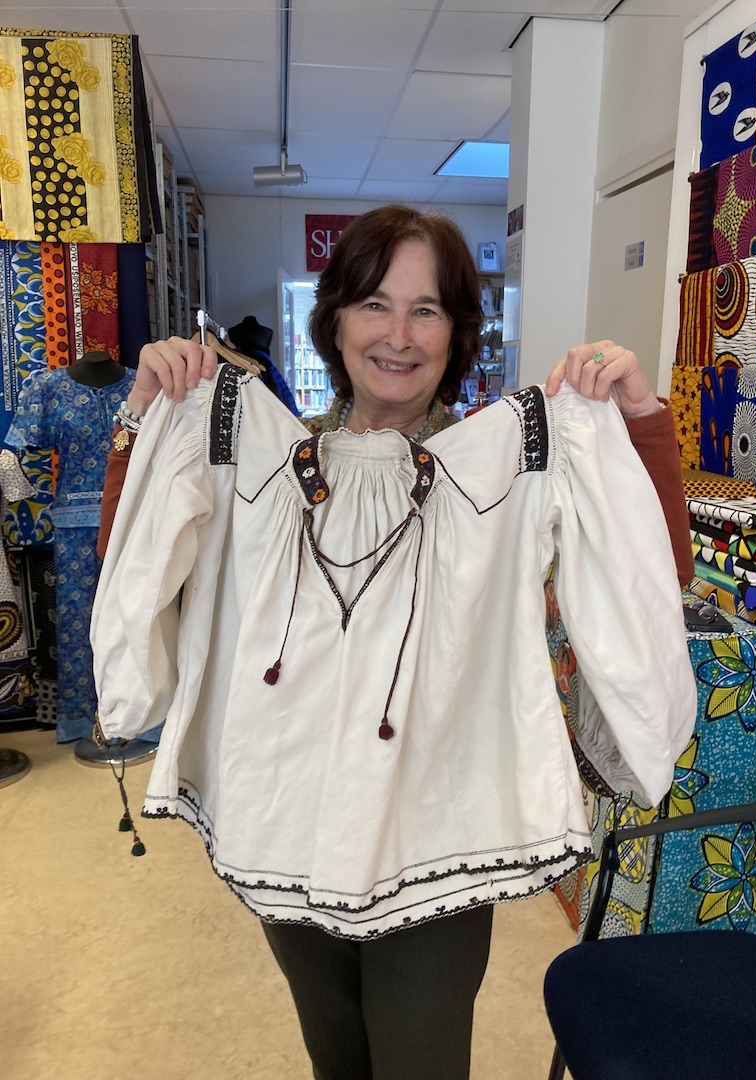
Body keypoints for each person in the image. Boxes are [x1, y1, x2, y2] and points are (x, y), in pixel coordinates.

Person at [91, 205, 696, 1080]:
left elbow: (651, 568)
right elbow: (132, 560)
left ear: (458, 334)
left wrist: (637, 420)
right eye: (375, 304)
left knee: (420, 1060)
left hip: (437, 825)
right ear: (333, 321)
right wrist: (147, 419)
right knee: (335, 1055)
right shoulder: (254, 452)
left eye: (428, 310)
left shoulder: (511, 464)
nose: (400, 336)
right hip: (293, 815)